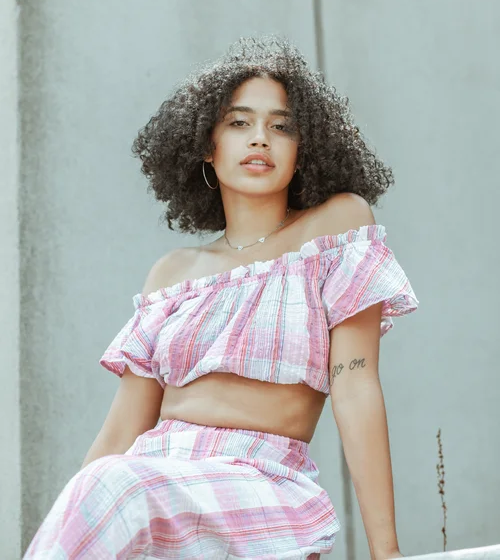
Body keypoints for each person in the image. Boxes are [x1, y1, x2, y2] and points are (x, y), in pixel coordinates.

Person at [24, 35, 419, 559]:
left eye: (281, 127)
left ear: (304, 151)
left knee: (116, 484)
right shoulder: (173, 274)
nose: (260, 139)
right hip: (152, 481)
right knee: (104, 482)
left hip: (259, 485)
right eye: (238, 123)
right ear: (207, 147)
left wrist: (385, 552)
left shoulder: (335, 228)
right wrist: (79, 507)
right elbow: (119, 433)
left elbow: (356, 387)